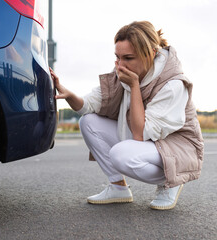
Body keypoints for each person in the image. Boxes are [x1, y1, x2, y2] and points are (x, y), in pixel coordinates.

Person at [50, 21, 204, 210]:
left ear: (151, 54)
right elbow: (89, 104)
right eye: (117, 57)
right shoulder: (125, 72)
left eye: (128, 58)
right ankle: (118, 187)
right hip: (148, 141)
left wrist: (134, 86)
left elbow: (140, 134)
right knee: (88, 121)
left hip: (177, 150)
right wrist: (67, 94)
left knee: (120, 155)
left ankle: (170, 182)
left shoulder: (173, 85)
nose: (120, 65)